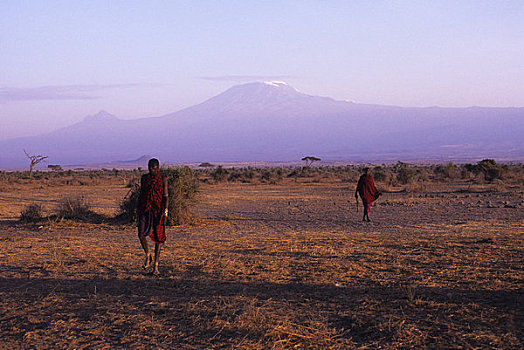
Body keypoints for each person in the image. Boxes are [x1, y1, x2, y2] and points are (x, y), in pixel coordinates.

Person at [135, 158, 168, 275]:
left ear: (157, 168)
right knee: (141, 234)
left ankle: (156, 267)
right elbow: (141, 194)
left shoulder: (162, 179)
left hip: (158, 211)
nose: (151, 169)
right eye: (149, 167)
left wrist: (165, 213)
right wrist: (137, 209)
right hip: (145, 209)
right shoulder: (144, 178)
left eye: (153, 168)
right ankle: (148, 255)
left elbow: (165, 197)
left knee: (159, 239)